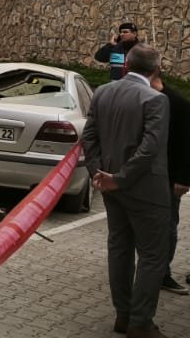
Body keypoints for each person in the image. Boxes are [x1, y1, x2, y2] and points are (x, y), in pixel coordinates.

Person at [83, 44, 172, 338]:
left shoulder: (103, 92)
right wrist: (119, 178)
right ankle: (140, 322)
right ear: (156, 69)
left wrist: (99, 174)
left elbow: (89, 137)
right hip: (145, 190)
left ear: (126, 65)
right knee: (153, 255)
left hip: (110, 187)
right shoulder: (156, 100)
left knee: (119, 249)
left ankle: (123, 316)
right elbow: (150, 149)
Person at [152, 75, 190, 295]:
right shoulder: (138, 98)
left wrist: (184, 178)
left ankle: (162, 273)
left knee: (167, 226)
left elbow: (186, 143)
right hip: (141, 177)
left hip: (169, 177)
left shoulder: (178, 104)